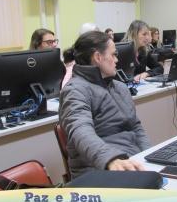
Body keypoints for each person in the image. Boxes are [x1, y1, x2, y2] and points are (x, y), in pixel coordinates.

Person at [59, 31, 150, 179]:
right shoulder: (75, 90)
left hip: (129, 162)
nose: (116, 60)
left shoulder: (119, 87)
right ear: (98, 57)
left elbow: (136, 127)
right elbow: (80, 130)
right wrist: (110, 159)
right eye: (113, 55)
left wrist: (149, 156)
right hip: (97, 170)